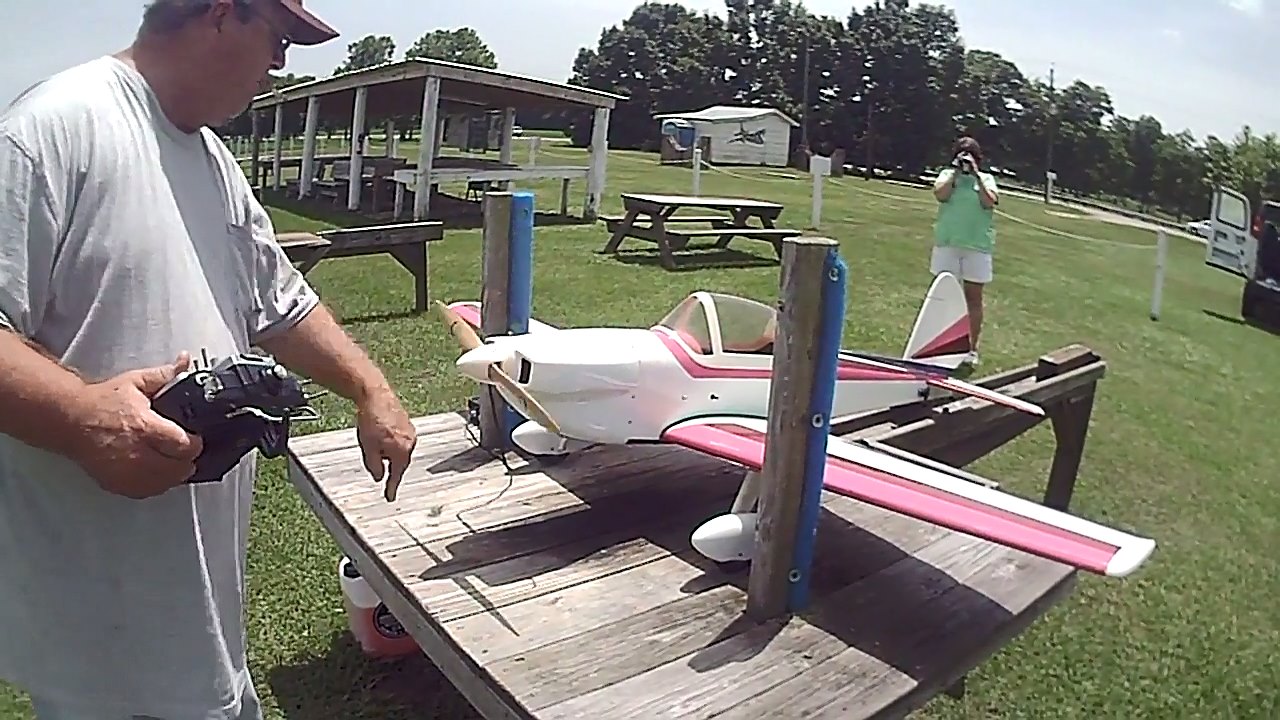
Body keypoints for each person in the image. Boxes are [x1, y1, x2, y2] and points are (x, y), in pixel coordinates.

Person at [0, 1, 419, 718]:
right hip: (99, 620)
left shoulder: (209, 157)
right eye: (279, 38)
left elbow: (279, 303)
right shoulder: (52, 130)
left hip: (194, 604)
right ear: (223, 12)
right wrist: (83, 418)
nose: (281, 63)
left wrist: (369, 388)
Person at [930, 136, 999, 367]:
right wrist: (956, 173)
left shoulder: (986, 178)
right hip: (948, 242)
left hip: (977, 245)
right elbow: (940, 194)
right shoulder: (947, 175)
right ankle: (938, 344)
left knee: (973, 299)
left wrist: (976, 174)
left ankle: (971, 348)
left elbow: (990, 201)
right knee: (942, 294)